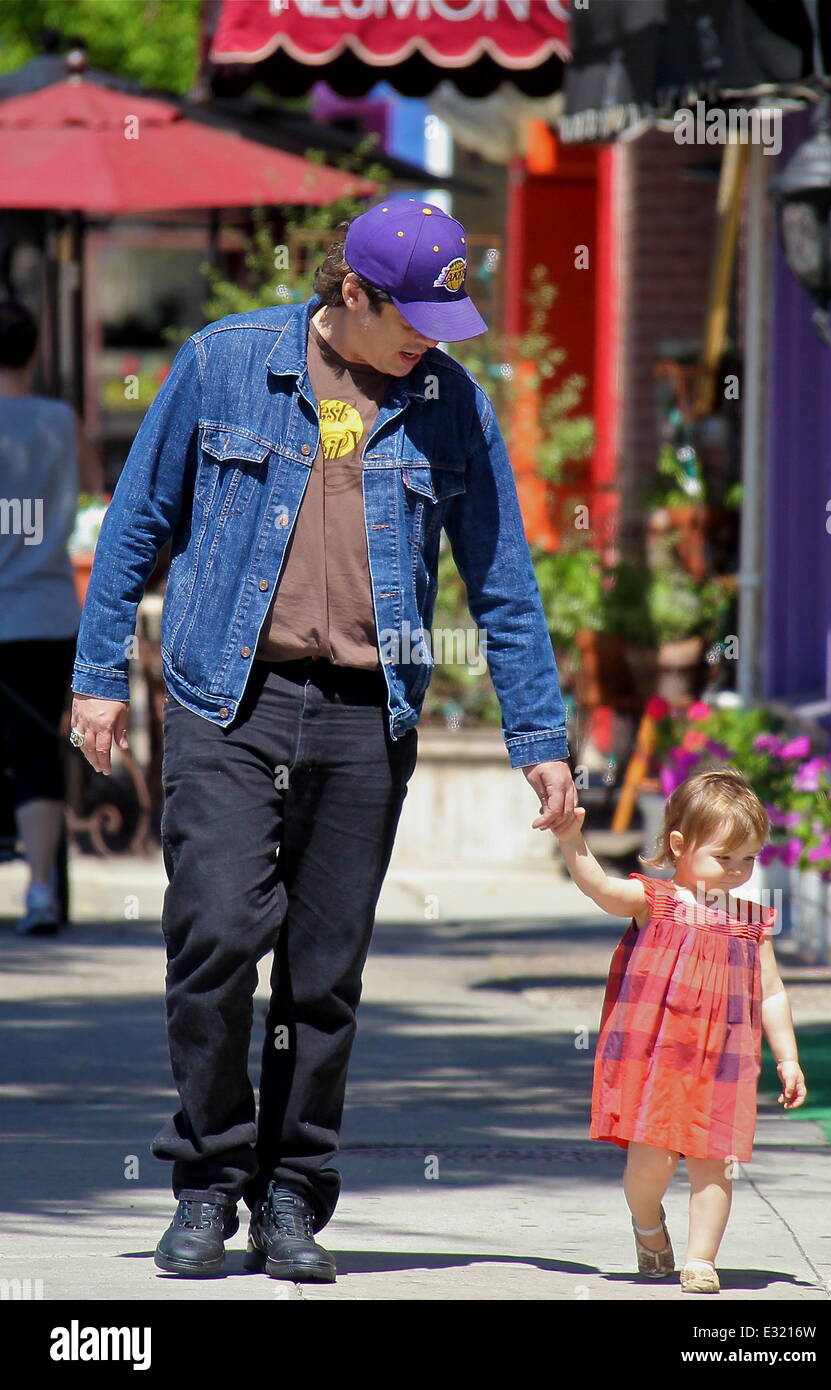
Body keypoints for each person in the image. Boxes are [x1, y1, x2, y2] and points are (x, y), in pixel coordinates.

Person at [69, 197, 578, 1281]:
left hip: (362, 712)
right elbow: (135, 524)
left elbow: (501, 577)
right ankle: (206, 1182)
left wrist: (539, 735)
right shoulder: (224, 364)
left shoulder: (448, 402)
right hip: (227, 698)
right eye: (414, 319)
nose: (430, 343)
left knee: (321, 975)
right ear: (350, 291)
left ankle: (293, 1194)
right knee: (215, 935)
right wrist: (98, 675)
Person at [545, 765, 806, 1294]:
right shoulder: (656, 901)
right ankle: (648, 1226)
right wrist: (573, 838)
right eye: (724, 857)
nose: (737, 870)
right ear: (680, 845)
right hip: (659, 1059)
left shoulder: (751, 921)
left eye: (749, 859)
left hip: (725, 1061)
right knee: (650, 1169)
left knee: (716, 1165)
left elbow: (772, 991)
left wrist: (787, 1057)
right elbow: (599, 888)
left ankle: (701, 1259)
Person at [0, 297, 101, 935]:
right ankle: (40, 890)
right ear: (35, 351)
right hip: (46, 612)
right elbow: (95, 484)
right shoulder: (61, 420)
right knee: (38, 749)